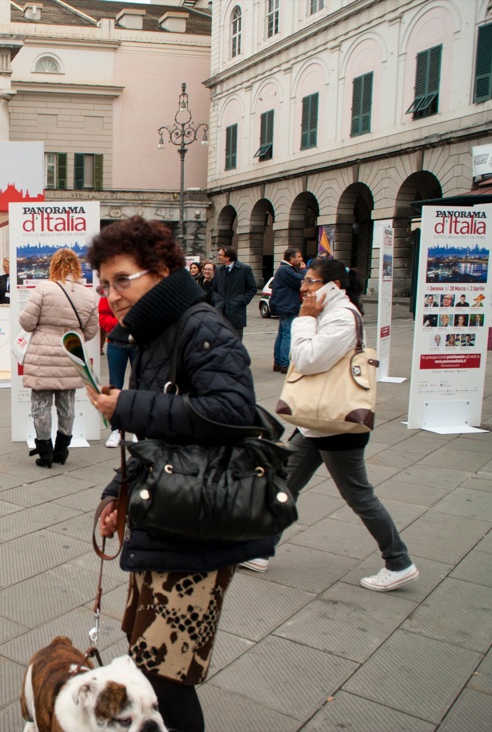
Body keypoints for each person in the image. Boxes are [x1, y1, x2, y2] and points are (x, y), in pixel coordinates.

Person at [84, 217, 268, 732]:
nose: (113, 295)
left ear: (161, 270)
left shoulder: (202, 326)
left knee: (165, 677)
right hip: (165, 515)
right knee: (149, 663)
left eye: (123, 279)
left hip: (195, 525)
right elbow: (154, 440)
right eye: (105, 284)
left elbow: (233, 413)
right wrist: (114, 495)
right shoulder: (155, 331)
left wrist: (130, 405)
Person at [241, 258, 418, 593]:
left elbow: (305, 359)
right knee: (285, 486)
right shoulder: (329, 313)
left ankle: (399, 562)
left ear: (333, 286)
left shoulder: (342, 317)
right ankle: (259, 550)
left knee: (359, 495)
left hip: (337, 423)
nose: (303, 287)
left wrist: (303, 321)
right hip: (315, 423)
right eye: (304, 280)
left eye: (311, 281)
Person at [18, 248, 99, 467]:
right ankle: (62, 450)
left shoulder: (44, 289)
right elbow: (91, 332)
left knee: (40, 404)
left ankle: (45, 452)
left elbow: (26, 323)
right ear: (77, 266)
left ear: (53, 265)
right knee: (67, 404)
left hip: (43, 353)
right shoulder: (88, 294)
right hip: (70, 352)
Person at [98, 295, 135, 448]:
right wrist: (121, 322)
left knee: (139, 385)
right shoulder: (110, 293)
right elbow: (103, 318)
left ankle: (139, 430)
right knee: (114, 386)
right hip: (116, 343)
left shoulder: (141, 287)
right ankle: (115, 430)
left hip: (138, 342)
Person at [270, 247, 305, 373]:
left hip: (284, 305)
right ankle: (284, 364)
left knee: (282, 333)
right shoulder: (286, 269)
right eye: (299, 256)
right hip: (287, 305)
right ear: (291, 258)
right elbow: (299, 281)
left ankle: (278, 362)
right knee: (287, 334)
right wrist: (303, 270)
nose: (301, 259)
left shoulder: (284, 269)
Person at [211, 245, 257, 339]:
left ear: (228, 257)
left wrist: (242, 300)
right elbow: (214, 288)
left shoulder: (244, 269)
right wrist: (217, 300)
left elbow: (252, 288)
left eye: (220, 255)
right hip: (220, 310)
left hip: (236, 311)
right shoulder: (219, 270)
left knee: (236, 340)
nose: (218, 257)